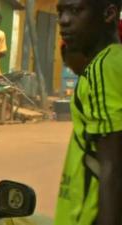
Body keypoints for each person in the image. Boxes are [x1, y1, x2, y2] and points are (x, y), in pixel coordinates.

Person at [54, 1, 122, 225]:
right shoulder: (110, 62)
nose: (64, 20)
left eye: (75, 10)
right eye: (61, 11)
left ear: (108, 14)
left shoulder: (103, 68)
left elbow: (113, 166)